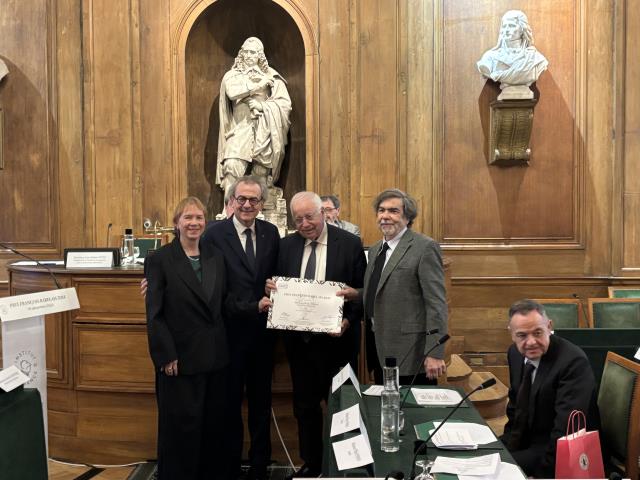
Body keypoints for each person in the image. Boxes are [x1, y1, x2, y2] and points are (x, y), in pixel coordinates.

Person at [266, 191, 365, 478]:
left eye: (310, 216)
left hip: (338, 343)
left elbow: (362, 292)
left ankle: (344, 467)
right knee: (305, 408)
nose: (305, 224)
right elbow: (274, 284)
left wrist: (348, 320)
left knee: (343, 407)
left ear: (323, 213)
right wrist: (269, 288)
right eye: (298, 219)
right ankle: (311, 465)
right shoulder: (285, 246)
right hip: (300, 345)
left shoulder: (349, 244)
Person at [145, 197, 229, 480]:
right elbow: (154, 313)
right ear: (176, 223)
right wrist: (165, 354)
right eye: (188, 218)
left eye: (199, 218)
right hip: (179, 359)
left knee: (210, 426)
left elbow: (224, 302)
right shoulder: (159, 259)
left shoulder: (215, 256)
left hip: (214, 357)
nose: (194, 223)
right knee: (179, 428)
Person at [203, 176, 280, 480]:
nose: (248, 205)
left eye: (254, 200)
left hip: (263, 336)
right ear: (231, 201)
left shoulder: (272, 233)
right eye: (242, 199)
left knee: (262, 404)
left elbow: (279, 275)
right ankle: (230, 466)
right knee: (229, 404)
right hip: (228, 334)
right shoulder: (213, 235)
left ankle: (260, 465)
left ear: (262, 204)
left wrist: (278, 287)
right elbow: (211, 289)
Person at [339, 189, 448, 385]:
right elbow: (382, 290)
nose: (385, 216)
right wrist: (357, 294)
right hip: (378, 346)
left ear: (408, 217)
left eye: (393, 211)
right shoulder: (375, 250)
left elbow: (436, 304)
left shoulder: (424, 247)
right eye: (381, 210)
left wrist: (434, 352)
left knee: (413, 412)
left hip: (411, 351)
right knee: (386, 409)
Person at [501, 299, 598, 478]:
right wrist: (502, 447)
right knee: (483, 456)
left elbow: (566, 433)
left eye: (538, 333)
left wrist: (539, 475)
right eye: (522, 335)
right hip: (526, 442)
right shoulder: (514, 353)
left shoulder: (572, 362)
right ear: (512, 334)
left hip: (558, 452)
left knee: (496, 466)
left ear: (549, 326)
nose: (531, 342)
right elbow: (515, 409)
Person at [216, 37, 292, 199]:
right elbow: (232, 92)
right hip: (240, 129)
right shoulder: (232, 75)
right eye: (246, 52)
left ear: (260, 55)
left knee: (261, 171)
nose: (249, 55)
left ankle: (261, 209)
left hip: (264, 129)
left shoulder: (272, 77)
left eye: (253, 52)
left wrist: (263, 106)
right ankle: (229, 209)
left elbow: (285, 105)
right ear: (241, 54)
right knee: (232, 165)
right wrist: (258, 86)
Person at [477, 10, 548, 88]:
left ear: (522, 29)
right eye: (504, 26)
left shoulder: (534, 57)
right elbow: (484, 68)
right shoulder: (490, 57)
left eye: (511, 26)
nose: (506, 30)